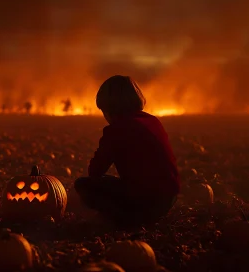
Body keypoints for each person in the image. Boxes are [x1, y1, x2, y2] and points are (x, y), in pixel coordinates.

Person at [74, 75, 180, 229]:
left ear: (109, 109)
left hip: (146, 202)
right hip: (169, 198)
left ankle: (120, 220)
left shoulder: (117, 129)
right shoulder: (153, 121)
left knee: (84, 185)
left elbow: (95, 171)